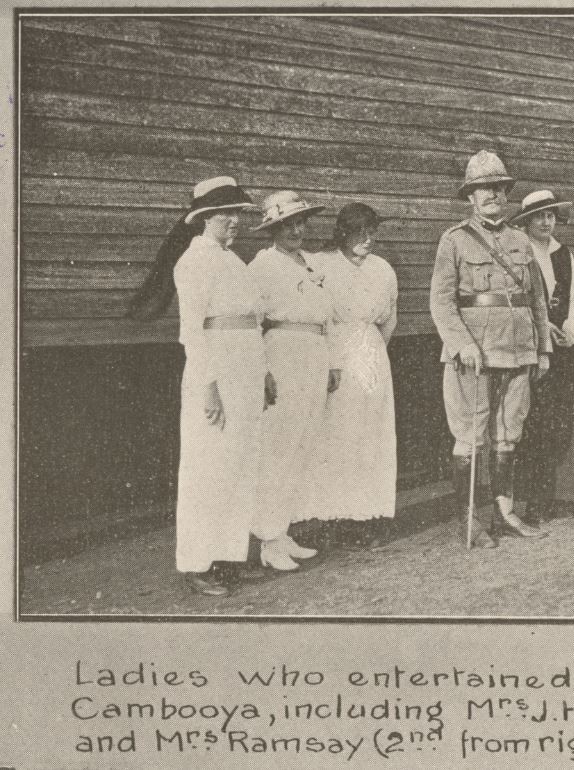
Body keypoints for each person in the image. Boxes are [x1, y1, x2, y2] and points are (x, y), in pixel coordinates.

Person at [128, 176, 264, 596]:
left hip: (245, 371)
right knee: (207, 469)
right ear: (204, 217)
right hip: (216, 373)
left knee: (237, 465)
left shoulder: (233, 260)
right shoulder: (193, 262)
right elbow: (192, 331)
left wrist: (263, 371)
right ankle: (197, 563)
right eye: (227, 214)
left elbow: (252, 322)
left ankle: (227, 556)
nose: (235, 221)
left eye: (239, 214)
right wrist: (208, 387)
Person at [430, 150, 552, 548]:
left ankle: (505, 510)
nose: (492, 195)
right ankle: (469, 520)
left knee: (507, 433)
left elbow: (536, 300)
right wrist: (462, 344)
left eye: (498, 188)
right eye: (483, 189)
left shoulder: (520, 240)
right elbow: (441, 302)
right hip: (475, 354)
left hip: (518, 350)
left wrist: (543, 348)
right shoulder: (454, 241)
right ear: (470, 196)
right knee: (470, 435)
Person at [248, 190, 341, 571]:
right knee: (278, 445)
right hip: (282, 351)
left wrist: (332, 361)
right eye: (287, 224)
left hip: (314, 352)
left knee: (304, 442)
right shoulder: (262, 266)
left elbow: (327, 316)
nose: (295, 230)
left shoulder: (309, 263)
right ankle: (268, 541)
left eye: (300, 223)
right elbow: (253, 322)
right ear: (273, 229)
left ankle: (283, 531)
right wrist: (262, 370)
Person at [313, 203, 398, 546]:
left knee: (372, 431)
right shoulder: (323, 265)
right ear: (343, 234)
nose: (366, 239)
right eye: (359, 232)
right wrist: (332, 357)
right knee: (339, 432)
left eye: (371, 232)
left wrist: (374, 349)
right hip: (337, 352)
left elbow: (390, 318)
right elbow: (319, 316)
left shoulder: (383, 269)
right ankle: (336, 517)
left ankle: (368, 515)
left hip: (372, 353)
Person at [510, 190, 574, 524]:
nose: (546, 222)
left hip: (563, 348)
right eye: (539, 216)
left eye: (550, 216)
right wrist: (544, 329)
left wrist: (569, 327)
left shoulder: (563, 253)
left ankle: (554, 494)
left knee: (559, 422)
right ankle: (533, 499)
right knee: (533, 423)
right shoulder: (519, 254)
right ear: (527, 221)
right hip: (533, 345)